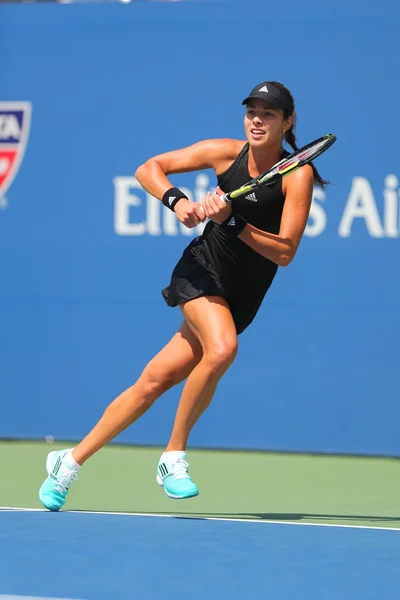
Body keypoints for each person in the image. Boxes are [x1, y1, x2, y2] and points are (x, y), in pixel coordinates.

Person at [38, 81, 328, 511]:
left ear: (287, 122)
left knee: (154, 381)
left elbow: (285, 252)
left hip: (242, 293)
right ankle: (173, 455)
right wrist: (177, 202)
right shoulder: (224, 152)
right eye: (251, 111)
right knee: (223, 348)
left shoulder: (296, 174)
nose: (256, 120)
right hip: (201, 270)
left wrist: (233, 222)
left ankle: (68, 461)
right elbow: (148, 168)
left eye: (268, 114)